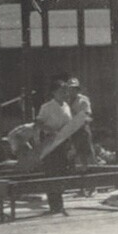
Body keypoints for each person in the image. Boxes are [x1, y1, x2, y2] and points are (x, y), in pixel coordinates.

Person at [34, 75, 75, 215]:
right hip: (51, 142)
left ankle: (59, 204)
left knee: (63, 171)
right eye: (62, 90)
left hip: (64, 142)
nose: (65, 93)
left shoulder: (66, 106)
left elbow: (69, 124)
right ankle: (55, 205)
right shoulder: (46, 107)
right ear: (54, 92)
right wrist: (52, 131)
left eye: (66, 90)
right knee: (52, 173)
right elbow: (38, 123)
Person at [67, 77, 95, 170]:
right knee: (70, 152)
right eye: (70, 89)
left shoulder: (83, 99)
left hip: (81, 129)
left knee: (85, 152)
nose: (72, 91)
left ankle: (90, 170)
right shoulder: (65, 100)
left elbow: (87, 114)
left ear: (77, 89)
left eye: (74, 89)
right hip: (69, 130)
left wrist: (76, 116)